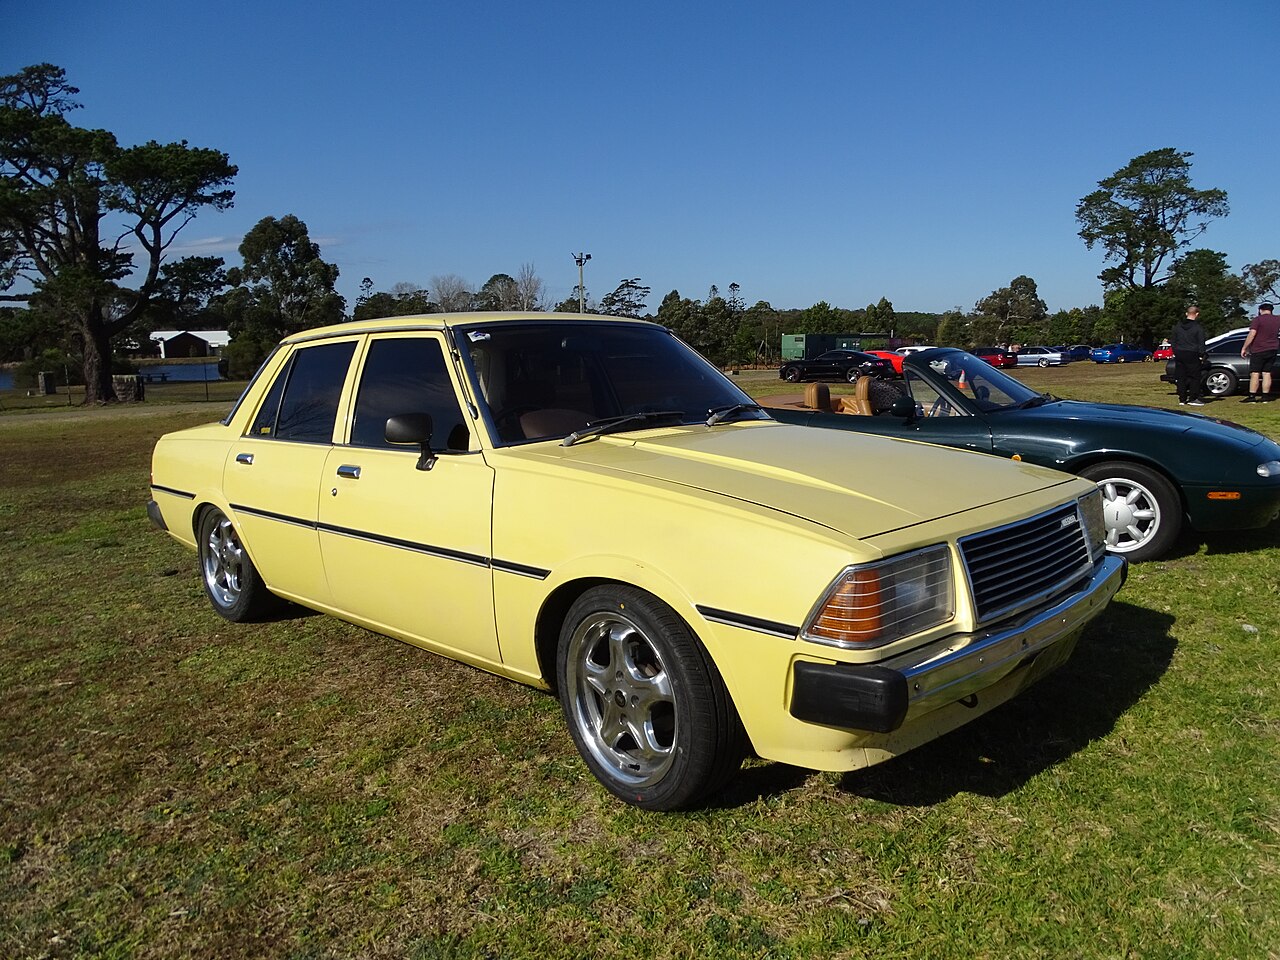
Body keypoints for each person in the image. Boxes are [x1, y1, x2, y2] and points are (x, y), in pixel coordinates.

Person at [1241, 302, 1280, 402]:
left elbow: (1252, 333)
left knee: (1255, 373)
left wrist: (1245, 347)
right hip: (1273, 348)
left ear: (1260, 310)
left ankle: (1252, 396)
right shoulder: (1277, 319)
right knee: (1266, 373)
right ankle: (1265, 396)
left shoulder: (1258, 320)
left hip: (1259, 349)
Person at [1170, 305, 1207, 406]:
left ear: (1186, 314)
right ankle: (1193, 398)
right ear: (1197, 314)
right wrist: (1201, 354)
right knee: (1195, 377)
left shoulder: (1178, 326)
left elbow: (1173, 340)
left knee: (1181, 376)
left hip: (1180, 353)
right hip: (1192, 353)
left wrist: (1175, 351)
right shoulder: (1198, 328)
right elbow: (1201, 342)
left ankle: (1182, 398)